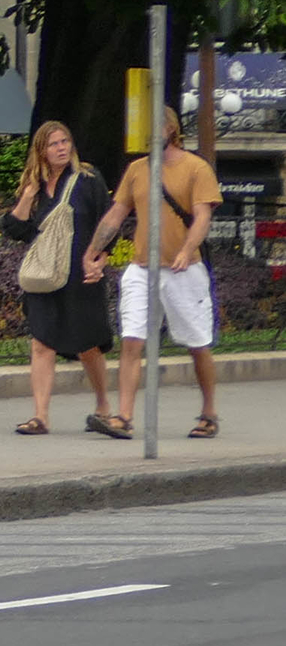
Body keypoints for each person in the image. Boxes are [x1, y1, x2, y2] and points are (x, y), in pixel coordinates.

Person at [81, 106, 222, 440]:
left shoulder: (195, 168)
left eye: (153, 127)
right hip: (142, 269)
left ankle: (209, 412)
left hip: (184, 271)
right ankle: (124, 417)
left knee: (197, 344)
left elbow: (202, 216)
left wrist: (187, 251)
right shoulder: (136, 170)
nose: (147, 134)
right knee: (132, 341)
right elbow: (117, 214)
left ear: (170, 129)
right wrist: (92, 252)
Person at [0, 120, 113, 435]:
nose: (62, 148)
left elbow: (109, 219)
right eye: (54, 144)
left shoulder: (87, 178)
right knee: (41, 343)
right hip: (45, 274)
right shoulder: (36, 184)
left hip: (81, 273)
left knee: (87, 345)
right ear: (41, 151)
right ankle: (40, 416)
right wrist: (27, 196)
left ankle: (103, 405)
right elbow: (17, 231)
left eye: (65, 141)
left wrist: (102, 256)